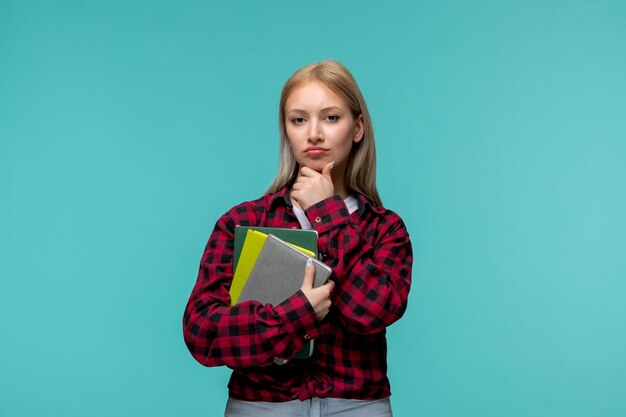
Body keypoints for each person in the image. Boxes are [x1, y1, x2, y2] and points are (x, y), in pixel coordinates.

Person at [183, 60, 413, 417]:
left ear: (358, 128)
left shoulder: (384, 229)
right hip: (260, 407)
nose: (314, 134)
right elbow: (202, 333)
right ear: (286, 130)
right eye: (299, 119)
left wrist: (327, 212)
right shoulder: (244, 221)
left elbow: (373, 312)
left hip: (357, 406)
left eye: (331, 117)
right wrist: (297, 315)